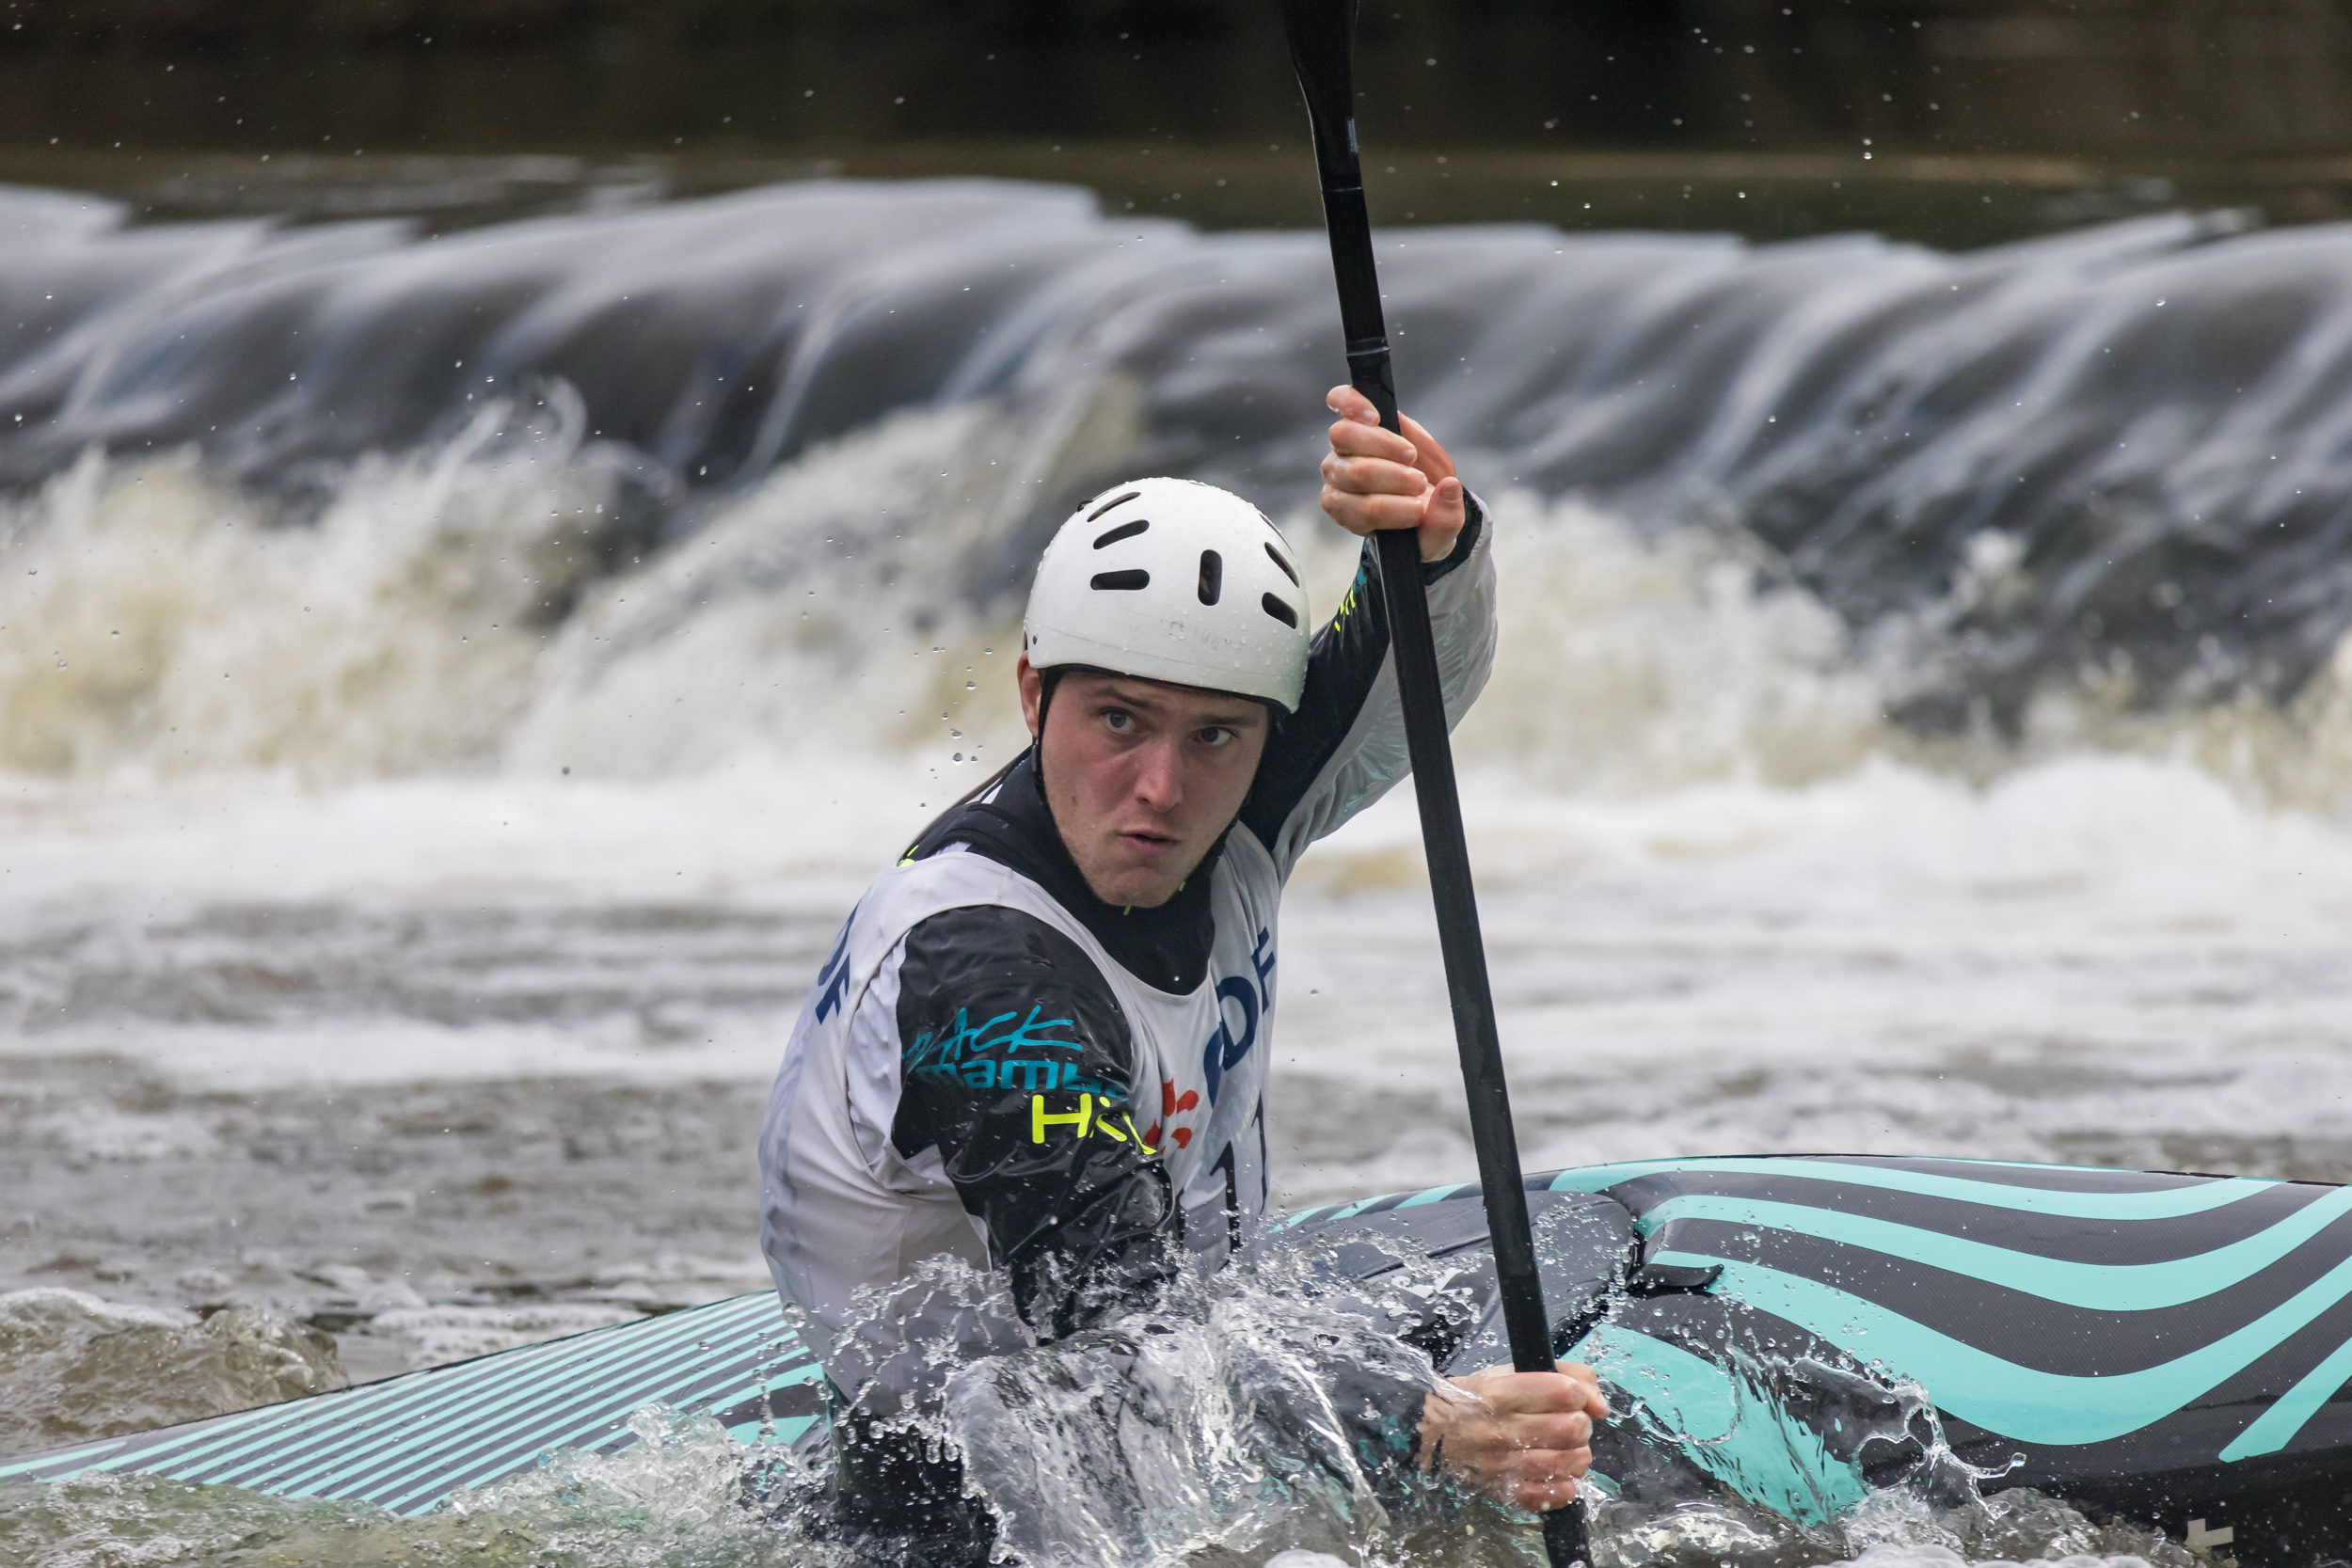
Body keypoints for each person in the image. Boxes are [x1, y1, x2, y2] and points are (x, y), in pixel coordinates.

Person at [758, 387, 1609, 1560]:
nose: (1161, 787)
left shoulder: (1236, 800)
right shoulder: (987, 974)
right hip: (958, 1504)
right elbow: (1127, 1332)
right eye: (1118, 721)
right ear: (1032, 693)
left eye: (1214, 735)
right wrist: (1422, 1419)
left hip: (1177, 1425)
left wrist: (1431, 543)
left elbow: (1408, 684)